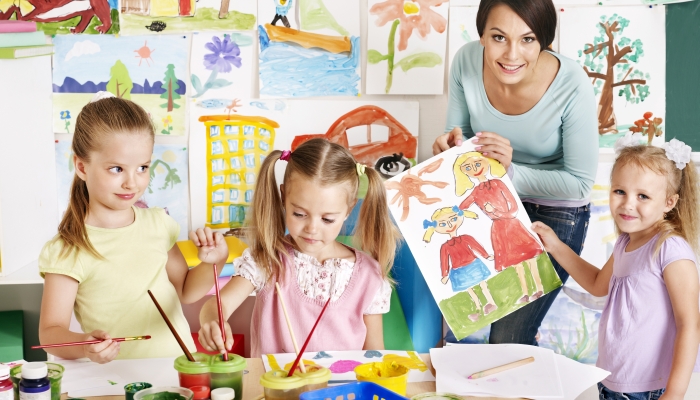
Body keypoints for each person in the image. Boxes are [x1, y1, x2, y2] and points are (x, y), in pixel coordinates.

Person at [433, 0, 598, 345]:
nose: (511, 54)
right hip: (489, 207)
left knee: (507, 338)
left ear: (544, 41)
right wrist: (449, 152)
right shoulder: (465, 61)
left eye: (527, 39)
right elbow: (459, 137)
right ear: (481, 35)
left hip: (555, 216)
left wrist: (510, 172)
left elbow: (581, 185)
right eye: (498, 37)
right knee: (447, 320)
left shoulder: (571, 82)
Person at [38, 92, 229, 363]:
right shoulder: (69, 247)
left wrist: (215, 262)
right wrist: (84, 346)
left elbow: (186, 290)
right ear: (81, 166)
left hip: (178, 370)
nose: (132, 182)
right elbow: (50, 332)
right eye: (116, 169)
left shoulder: (158, 224)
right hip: (117, 381)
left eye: (142, 167)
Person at [197, 138, 400, 357]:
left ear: (349, 209)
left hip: (342, 392)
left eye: (327, 219)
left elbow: (375, 355)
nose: (312, 228)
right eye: (299, 214)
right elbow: (218, 305)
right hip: (274, 390)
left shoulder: (369, 275)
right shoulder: (266, 261)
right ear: (284, 197)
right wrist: (213, 321)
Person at [532, 137, 700, 400]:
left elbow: (689, 324)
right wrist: (555, 245)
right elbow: (598, 284)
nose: (627, 204)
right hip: (612, 382)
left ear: (669, 202)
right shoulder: (625, 243)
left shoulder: (670, 250)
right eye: (619, 191)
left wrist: (675, 393)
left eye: (643, 196)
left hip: (648, 389)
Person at [455, 152, 544, 304]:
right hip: (499, 229)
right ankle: (525, 293)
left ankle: (539, 287)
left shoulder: (498, 183)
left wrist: (497, 212)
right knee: (516, 264)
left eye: (477, 164)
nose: (475, 169)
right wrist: (469, 214)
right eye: (468, 167)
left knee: (530, 259)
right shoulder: (476, 192)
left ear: (486, 162)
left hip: (512, 224)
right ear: (465, 172)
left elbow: (514, 207)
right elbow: (460, 207)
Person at [423, 206, 497, 322]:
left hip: (473, 265)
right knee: (470, 290)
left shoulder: (466, 238)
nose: (449, 225)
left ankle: (491, 303)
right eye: (443, 224)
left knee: (483, 285)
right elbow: (444, 261)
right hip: (459, 270)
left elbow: (477, 246)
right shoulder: (445, 247)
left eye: (452, 220)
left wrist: (487, 256)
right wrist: (445, 275)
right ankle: (478, 310)